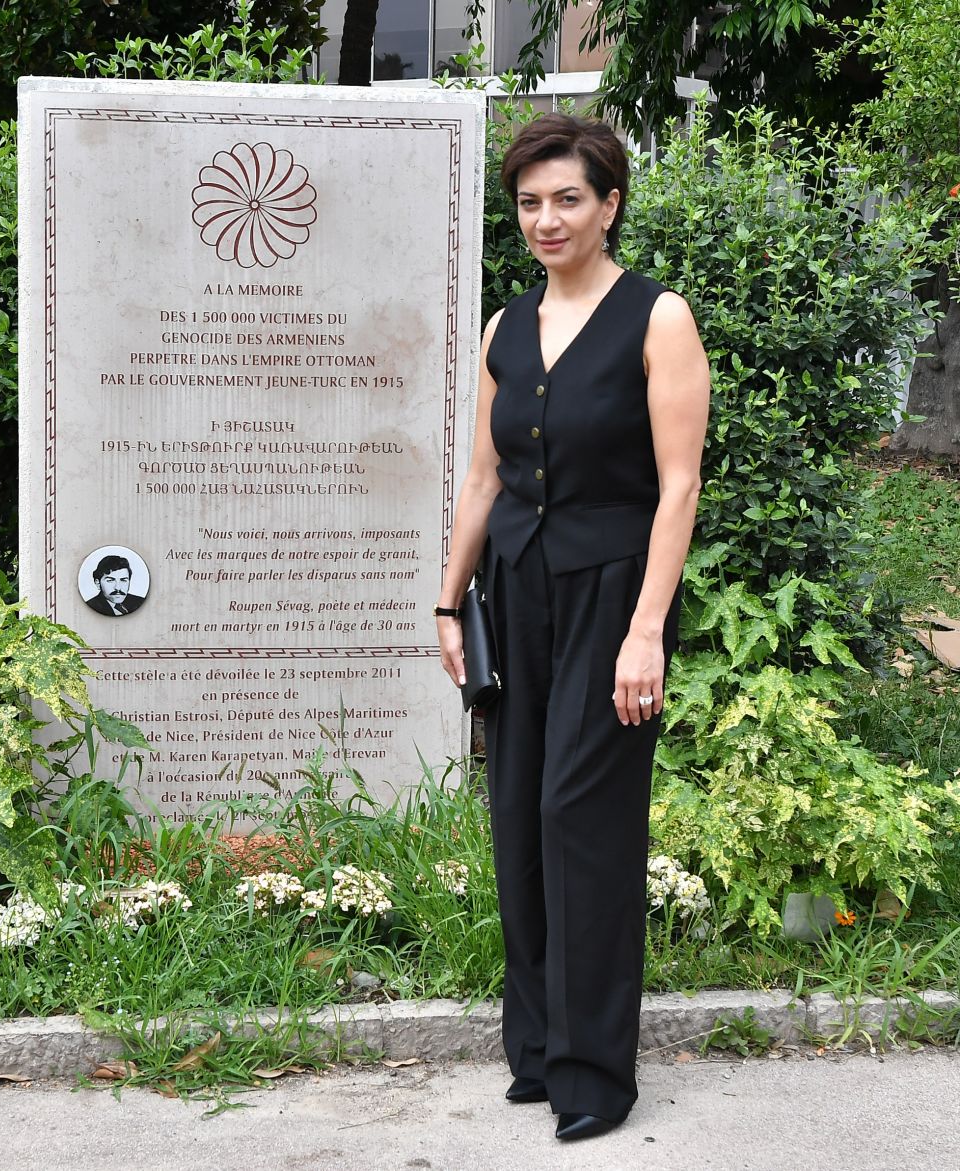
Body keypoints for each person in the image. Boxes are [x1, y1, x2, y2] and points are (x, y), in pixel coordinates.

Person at [435, 114, 711, 1143]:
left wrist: (647, 632)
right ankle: (539, 1050)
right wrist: (448, 601)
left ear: (609, 205)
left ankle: (594, 1070)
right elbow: (483, 477)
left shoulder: (657, 318)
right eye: (528, 203)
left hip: (612, 594)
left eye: (566, 199)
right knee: (517, 811)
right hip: (514, 590)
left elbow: (679, 487)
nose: (545, 219)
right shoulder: (505, 328)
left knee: (581, 817)